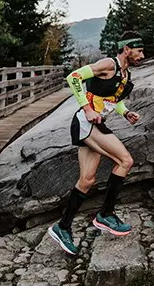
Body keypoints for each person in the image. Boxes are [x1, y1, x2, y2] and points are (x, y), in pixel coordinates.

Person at [47, 31, 145, 255]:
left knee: (87, 180)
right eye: (139, 50)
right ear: (127, 49)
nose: (142, 55)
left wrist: (126, 112)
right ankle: (106, 215)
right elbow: (73, 77)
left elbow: (111, 102)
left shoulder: (125, 74)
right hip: (86, 122)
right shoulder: (108, 65)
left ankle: (62, 227)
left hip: (93, 124)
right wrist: (87, 108)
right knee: (125, 160)